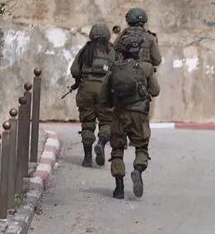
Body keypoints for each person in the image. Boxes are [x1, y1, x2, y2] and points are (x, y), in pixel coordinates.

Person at [101, 36, 160, 199]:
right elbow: (156, 91)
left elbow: (103, 96)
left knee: (117, 150)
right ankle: (138, 170)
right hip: (139, 115)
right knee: (141, 147)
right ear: (139, 51)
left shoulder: (115, 68)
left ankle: (119, 188)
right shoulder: (146, 68)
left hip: (120, 114)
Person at [69, 23, 116, 167]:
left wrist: (79, 80)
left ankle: (88, 157)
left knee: (88, 123)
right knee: (106, 122)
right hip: (105, 89)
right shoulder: (112, 50)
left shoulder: (86, 49)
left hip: (86, 88)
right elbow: (117, 70)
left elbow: (75, 70)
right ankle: (101, 144)